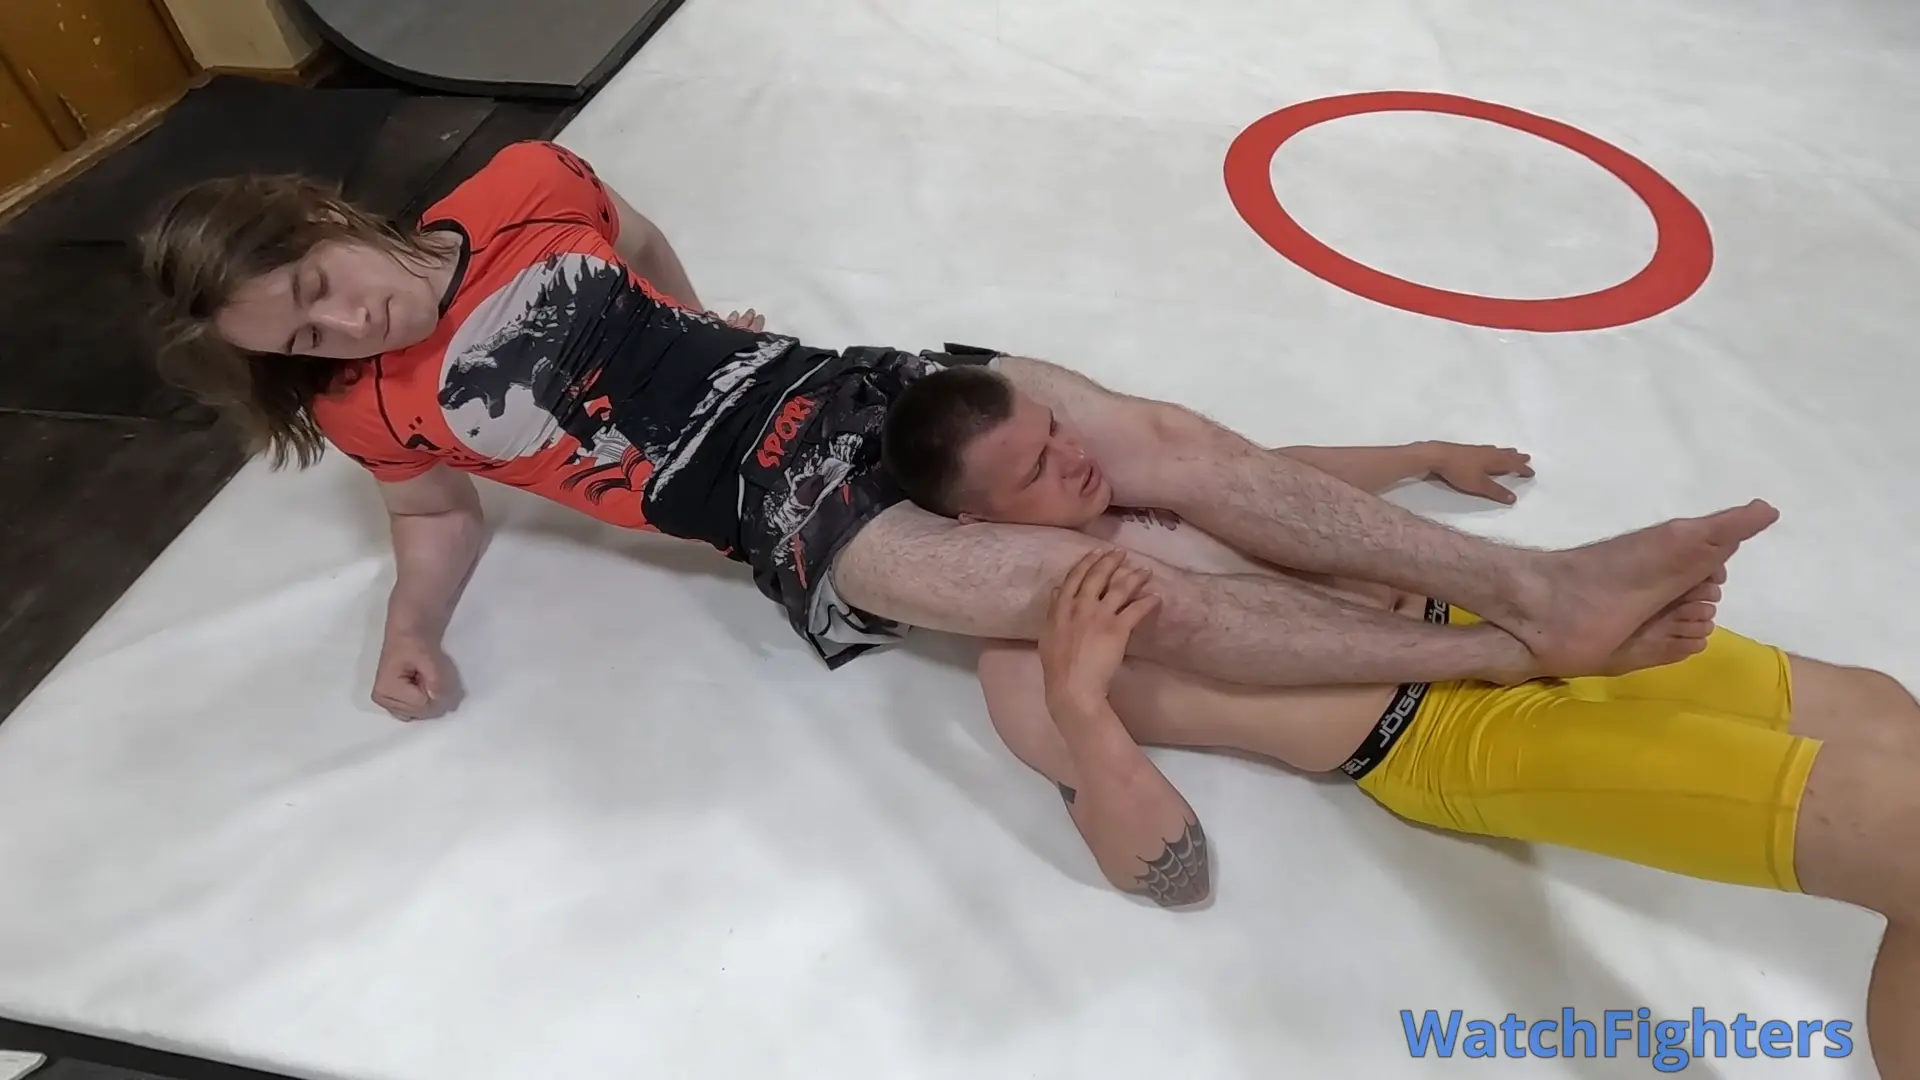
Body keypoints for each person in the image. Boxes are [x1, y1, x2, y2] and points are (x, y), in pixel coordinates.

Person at [138, 139, 1776, 722]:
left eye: (318, 288)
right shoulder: (373, 412)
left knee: (1154, 444)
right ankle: (1521, 654)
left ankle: (1543, 586)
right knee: (1099, 589)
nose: (342, 328)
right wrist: (408, 632)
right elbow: (434, 515)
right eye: (299, 342)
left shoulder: (518, 184)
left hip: (838, 381)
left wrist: (708, 320)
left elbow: (630, 230)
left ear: (323, 218)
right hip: (770, 504)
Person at [883, 364, 1915, 1078]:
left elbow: (1289, 477)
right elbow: (1170, 875)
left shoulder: (1153, 490)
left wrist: (1424, 454)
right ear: (975, 524)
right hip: (1438, 734)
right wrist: (1082, 704)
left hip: (1486, 618)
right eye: (1036, 469)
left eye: (1055, 430)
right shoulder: (1026, 658)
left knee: (1884, 714)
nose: (1073, 458)